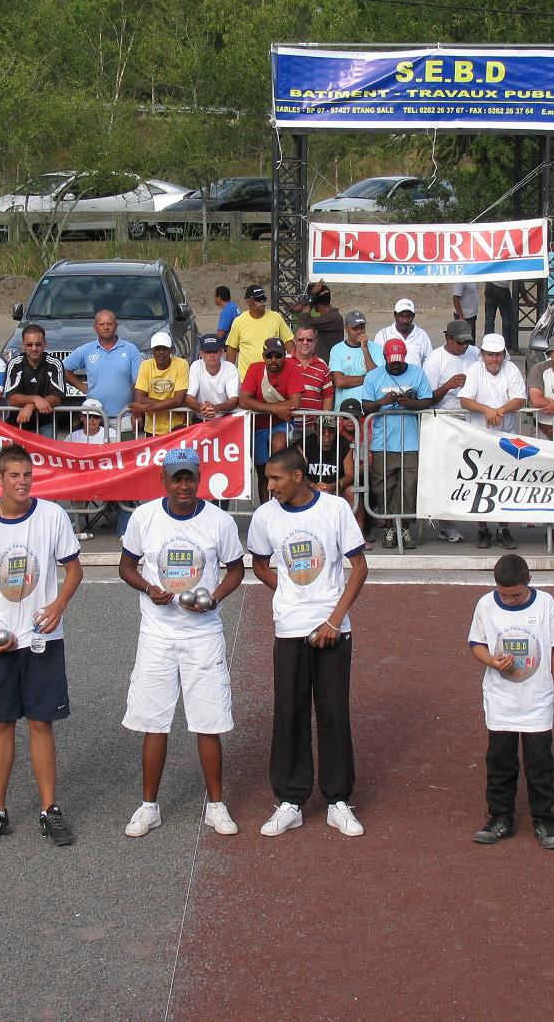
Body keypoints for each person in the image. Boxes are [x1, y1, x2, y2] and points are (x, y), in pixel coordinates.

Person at [118, 449, 245, 838]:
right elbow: (126, 566)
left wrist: (214, 598)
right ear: (164, 481)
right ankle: (148, 806)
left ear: (199, 478)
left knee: (209, 721)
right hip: (157, 633)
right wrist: (148, 587)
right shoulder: (144, 517)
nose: (184, 486)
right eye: (177, 479)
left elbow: (236, 568)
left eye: (190, 478)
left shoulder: (219, 521)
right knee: (153, 721)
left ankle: (216, 805)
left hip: (203, 634)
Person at [0, 444, 83, 848]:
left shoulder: (52, 516)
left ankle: (50, 809)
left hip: (42, 640)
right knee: (0, 724)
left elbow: (74, 569)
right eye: (14, 475)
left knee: (41, 722)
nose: (22, 482)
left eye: (27, 475)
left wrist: (58, 604)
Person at [248, 446, 369, 839]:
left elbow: (360, 567)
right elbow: (260, 564)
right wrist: (287, 592)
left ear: (297, 476)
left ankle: (337, 801)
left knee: (333, 712)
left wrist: (334, 620)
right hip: (289, 629)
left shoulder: (334, 510)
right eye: (268, 479)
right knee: (289, 712)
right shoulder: (265, 516)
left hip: (333, 629)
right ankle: (291, 800)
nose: (270, 486)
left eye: (276, 479)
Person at [467, 553, 554, 850]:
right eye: (504, 594)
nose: (509, 600)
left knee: (540, 763)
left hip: (536, 698)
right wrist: (492, 661)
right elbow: (477, 643)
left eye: (516, 594)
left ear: (529, 583)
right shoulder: (486, 604)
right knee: (500, 762)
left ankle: (545, 819)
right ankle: (500, 817)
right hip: (501, 700)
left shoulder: (546, 603)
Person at [362, 337, 432, 549]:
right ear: (384, 357)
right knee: (383, 487)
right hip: (383, 443)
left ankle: (405, 529)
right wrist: (383, 402)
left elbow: (427, 400)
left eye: (399, 360)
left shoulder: (417, 373)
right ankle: (390, 527)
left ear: (404, 357)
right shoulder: (373, 376)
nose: (395, 363)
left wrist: (408, 403)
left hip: (410, 442)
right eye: (392, 360)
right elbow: (366, 407)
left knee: (409, 487)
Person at [458, 333, 526, 551]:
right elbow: (465, 400)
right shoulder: (474, 370)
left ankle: (503, 529)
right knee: (480, 484)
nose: (494, 359)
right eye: (490, 355)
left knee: (506, 483)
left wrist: (500, 410)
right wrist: (487, 410)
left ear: (503, 355)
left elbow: (520, 398)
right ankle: (483, 529)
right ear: (483, 355)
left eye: (497, 355)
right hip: (479, 437)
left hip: (505, 437)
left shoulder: (512, 369)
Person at [423, 320, 478, 544]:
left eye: (467, 342)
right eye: (460, 342)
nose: (464, 346)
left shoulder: (475, 354)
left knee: (474, 472)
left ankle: (483, 521)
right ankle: (446, 525)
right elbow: (427, 398)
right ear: (448, 339)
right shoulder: (435, 359)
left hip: (472, 419)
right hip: (444, 421)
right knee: (447, 474)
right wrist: (447, 385)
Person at [239, 337, 303, 500]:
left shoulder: (293, 368)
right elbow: (244, 400)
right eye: (269, 356)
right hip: (258, 426)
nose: (273, 360)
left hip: (281, 424)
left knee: (278, 449)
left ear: (284, 355)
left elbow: (295, 403)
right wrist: (276, 408)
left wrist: (261, 406)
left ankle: (281, 503)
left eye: (278, 356)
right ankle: (265, 510)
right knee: (263, 473)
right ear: (263, 356)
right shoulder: (254, 369)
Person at [62, 310, 143, 433]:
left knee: (123, 452)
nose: (106, 327)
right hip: (95, 417)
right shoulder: (86, 350)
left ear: (116, 326)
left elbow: (140, 383)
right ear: (95, 327)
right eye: (102, 324)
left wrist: (137, 412)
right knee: (96, 451)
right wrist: (81, 386)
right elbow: (62, 369)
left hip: (124, 415)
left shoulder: (130, 349)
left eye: (109, 324)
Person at [3, 324, 67, 435]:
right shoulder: (14, 364)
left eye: (38, 344)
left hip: (46, 422)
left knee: (47, 451)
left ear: (44, 345)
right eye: (29, 344)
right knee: (15, 453)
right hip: (18, 421)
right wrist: (35, 398)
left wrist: (30, 406)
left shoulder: (54, 364)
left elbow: (57, 397)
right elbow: (12, 398)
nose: (34, 348)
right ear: (23, 346)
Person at [226, 284, 291, 382]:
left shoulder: (276, 317)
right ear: (248, 301)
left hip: (273, 378)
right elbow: (232, 348)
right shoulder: (239, 321)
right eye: (258, 299)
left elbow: (288, 341)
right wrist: (229, 375)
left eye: (263, 298)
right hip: (246, 378)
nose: (261, 301)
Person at [131, 330, 189, 435]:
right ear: (152, 350)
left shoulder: (181, 364)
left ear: (171, 350)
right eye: (157, 349)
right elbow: (140, 398)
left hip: (177, 426)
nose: (161, 352)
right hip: (152, 427)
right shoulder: (146, 365)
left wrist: (144, 407)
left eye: (165, 349)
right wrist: (170, 403)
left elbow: (178, 400)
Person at [328, 310, 383, 414]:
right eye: (355, 328)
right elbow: (340, 381)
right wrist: (367, 378)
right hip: (345, 412)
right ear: (346, 328)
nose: (359, 331)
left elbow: (378, 379)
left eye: (361, 327)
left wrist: (365, 349)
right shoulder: (337, 349)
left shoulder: (376, 348)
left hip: (369, 411)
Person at [289, 324, 333, 439]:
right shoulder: (284, 362)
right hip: (288, 425)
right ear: (294, 341)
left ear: (315, 342)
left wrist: (322, 423)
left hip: (313, 428)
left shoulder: (322, 365)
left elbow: (328, 395)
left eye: (309, 339)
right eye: (301, 339)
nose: (305, 342)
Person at [186, 334, 240, 420]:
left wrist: (215, 408)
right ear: (201, 354)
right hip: (200, 419)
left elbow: (234, 400)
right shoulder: (196, 366)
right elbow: (189, 398)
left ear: (222, 352)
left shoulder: (230, 368)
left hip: (225, 420)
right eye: (207, 352)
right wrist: (205, 408)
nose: (211, 355)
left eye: (215, 351)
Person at [373, 298, 433, 366]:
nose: (405, 320)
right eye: (402, 316)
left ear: (413, 316)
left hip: (415, 376)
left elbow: (429, 361)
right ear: (395, 315)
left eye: (408, 316)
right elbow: (378, 362)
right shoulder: (382, 335)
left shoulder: (422, 335)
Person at [298, 281, 345, 359]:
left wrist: (312, 297)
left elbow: (302, 323)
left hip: (329, 367)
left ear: (315, 303)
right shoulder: (331, 317)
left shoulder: (333, 317)